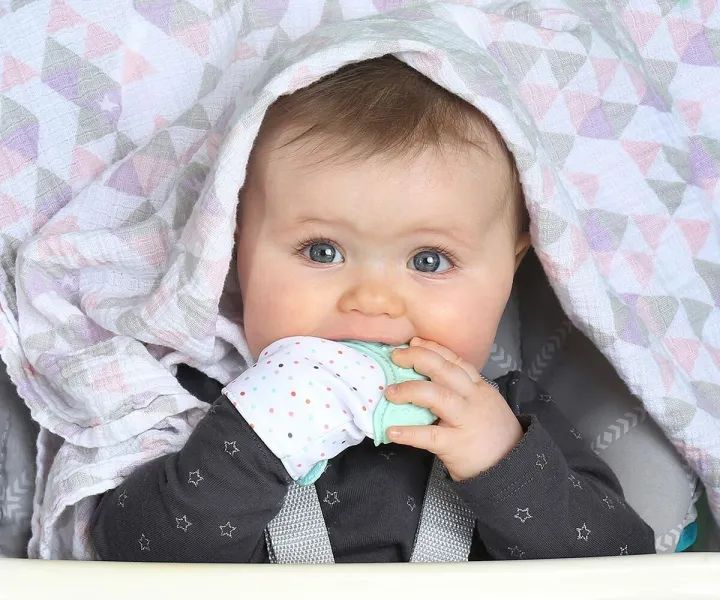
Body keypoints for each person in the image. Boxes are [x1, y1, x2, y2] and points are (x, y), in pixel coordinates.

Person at [89, 55, 656, 562]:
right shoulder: (204, 404)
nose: (373, 300)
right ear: (233, 253)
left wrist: (503, 464)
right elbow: (128, 555)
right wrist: (254, 436)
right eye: (322, 251)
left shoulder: (509, 418)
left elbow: (624, 561)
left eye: (430, 260)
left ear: (509, 271)